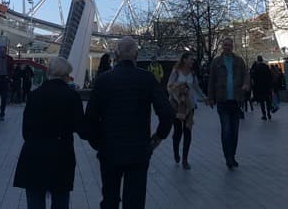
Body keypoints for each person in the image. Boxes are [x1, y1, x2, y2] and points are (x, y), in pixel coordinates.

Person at [85, 35, 173, 209]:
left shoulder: (103, 80)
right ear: (136, 55)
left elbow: (90, 118)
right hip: (138, 150)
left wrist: (97, 143)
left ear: (116, 55)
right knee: (135, 200)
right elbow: (166, 114)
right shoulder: (147, 79)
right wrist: (157, 138)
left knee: (109, 199)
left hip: (109, 150)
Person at [13, 56, 86, 209]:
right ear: (65, 76)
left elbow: (26, 131)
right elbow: (82, 129)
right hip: (61, 156)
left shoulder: (34, 96)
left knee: (35, 199)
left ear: (49, 73)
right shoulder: (72, 97)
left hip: (34, 154)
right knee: (60, 199)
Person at [207, 37, 249, 169]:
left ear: (232, 47)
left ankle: (233, 155)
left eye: (229, 45)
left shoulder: (239, 61)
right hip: (222, 100)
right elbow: (211, 80)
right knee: (226, 130)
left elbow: (246, 74)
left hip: (236, 100)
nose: (227, 47)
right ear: (222, 47)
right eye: (225, 45)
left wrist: (246, 84)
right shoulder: (216, 62)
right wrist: (211, 97)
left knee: (234, 131)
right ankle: (228, 157)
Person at [167, 51, 203, 170]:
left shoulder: (192, 73)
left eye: (193, 59)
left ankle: (185, 159)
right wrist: (179, 86)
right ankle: (176, 151)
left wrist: (205, 97)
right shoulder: (176, 72)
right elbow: (169, 86)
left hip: (189, 106)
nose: (193, 61)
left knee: (188, 131)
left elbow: (196, 87)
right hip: (176, 106)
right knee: (178, 131)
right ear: (184, 60)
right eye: (191, 59)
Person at [0, 46, 14, 120]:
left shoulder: (10, 59)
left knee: (4, 98)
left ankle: (2, 114)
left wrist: (9, 77)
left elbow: (12, 69)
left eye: (3, 51)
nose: (2, 53)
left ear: (6, 51)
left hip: (5, 79)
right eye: (1, 52)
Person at [251, 54, 274, 121]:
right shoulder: (266, 66)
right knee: (268, 101)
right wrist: (270, 86)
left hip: (259, 88)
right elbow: (270, 77)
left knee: (262, 102)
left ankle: (264, 115)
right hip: (267, 87)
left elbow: (253, 76)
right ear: (262, 60)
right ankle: (269, 113)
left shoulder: (256, 68)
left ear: (258, 60)